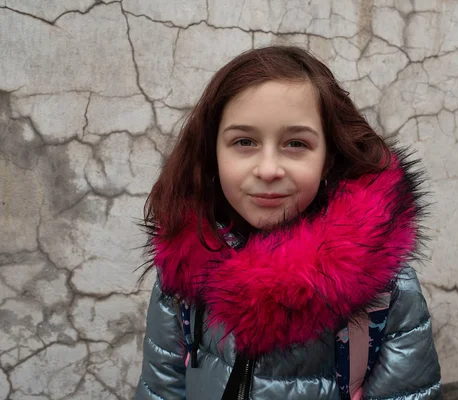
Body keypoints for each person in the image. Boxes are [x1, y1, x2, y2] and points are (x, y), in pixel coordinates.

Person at [135, 46, 442, 400]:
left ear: (328, 158)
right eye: (244, 141)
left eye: (296, 143)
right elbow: (161, 388)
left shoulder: (386, 289)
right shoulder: (184, 267)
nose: (268, 170)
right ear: (211, 152)